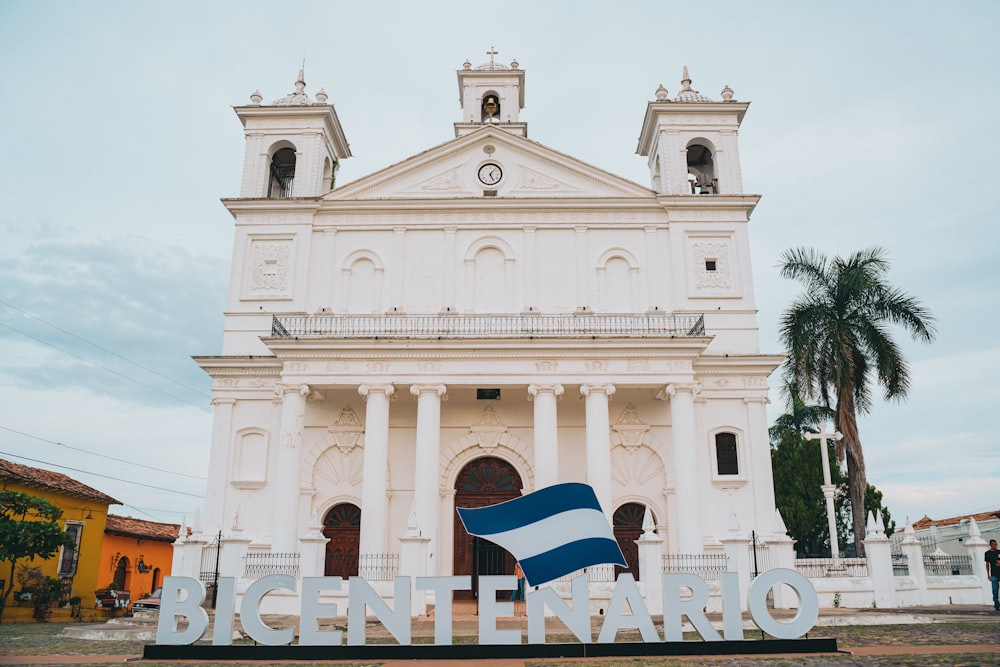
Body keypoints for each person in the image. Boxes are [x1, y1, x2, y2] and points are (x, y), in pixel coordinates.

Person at [986, 539, 1000, 611]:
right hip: (994, 574)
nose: (995, 546)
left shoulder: (999, 552)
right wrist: (988, 575)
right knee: (995, 590)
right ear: (990, 545)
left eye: (996, 544)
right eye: (994, 544)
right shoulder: (987, 553)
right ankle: (997, 604)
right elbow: (987, 564)